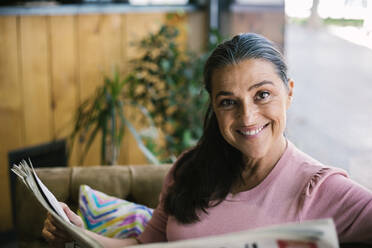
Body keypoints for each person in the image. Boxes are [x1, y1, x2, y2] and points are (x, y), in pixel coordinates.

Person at [42, 33, 372, 247]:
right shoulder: (190, 168)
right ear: (214, 107)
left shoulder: (320, 188)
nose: (247, 117)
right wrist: (80, 233)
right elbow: (147, 246)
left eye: (262, 95)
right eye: (228, 101)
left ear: (289, 94)